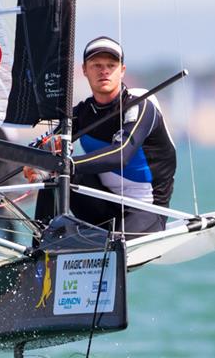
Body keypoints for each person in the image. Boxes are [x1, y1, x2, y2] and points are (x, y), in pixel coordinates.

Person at [25, 36, 177, 239]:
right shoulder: (82, 112)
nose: (104, 70)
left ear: (122, 71)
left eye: (111, 65)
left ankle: (100, 248)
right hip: (102, 206)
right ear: (84, 70)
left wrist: (66, 164)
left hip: (146, 209)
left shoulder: (140, 105)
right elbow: (43, 147)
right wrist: (36, 159)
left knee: (61, 166)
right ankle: (40, 245)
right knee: (53, 169)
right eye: (96, 65)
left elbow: (122, 154)